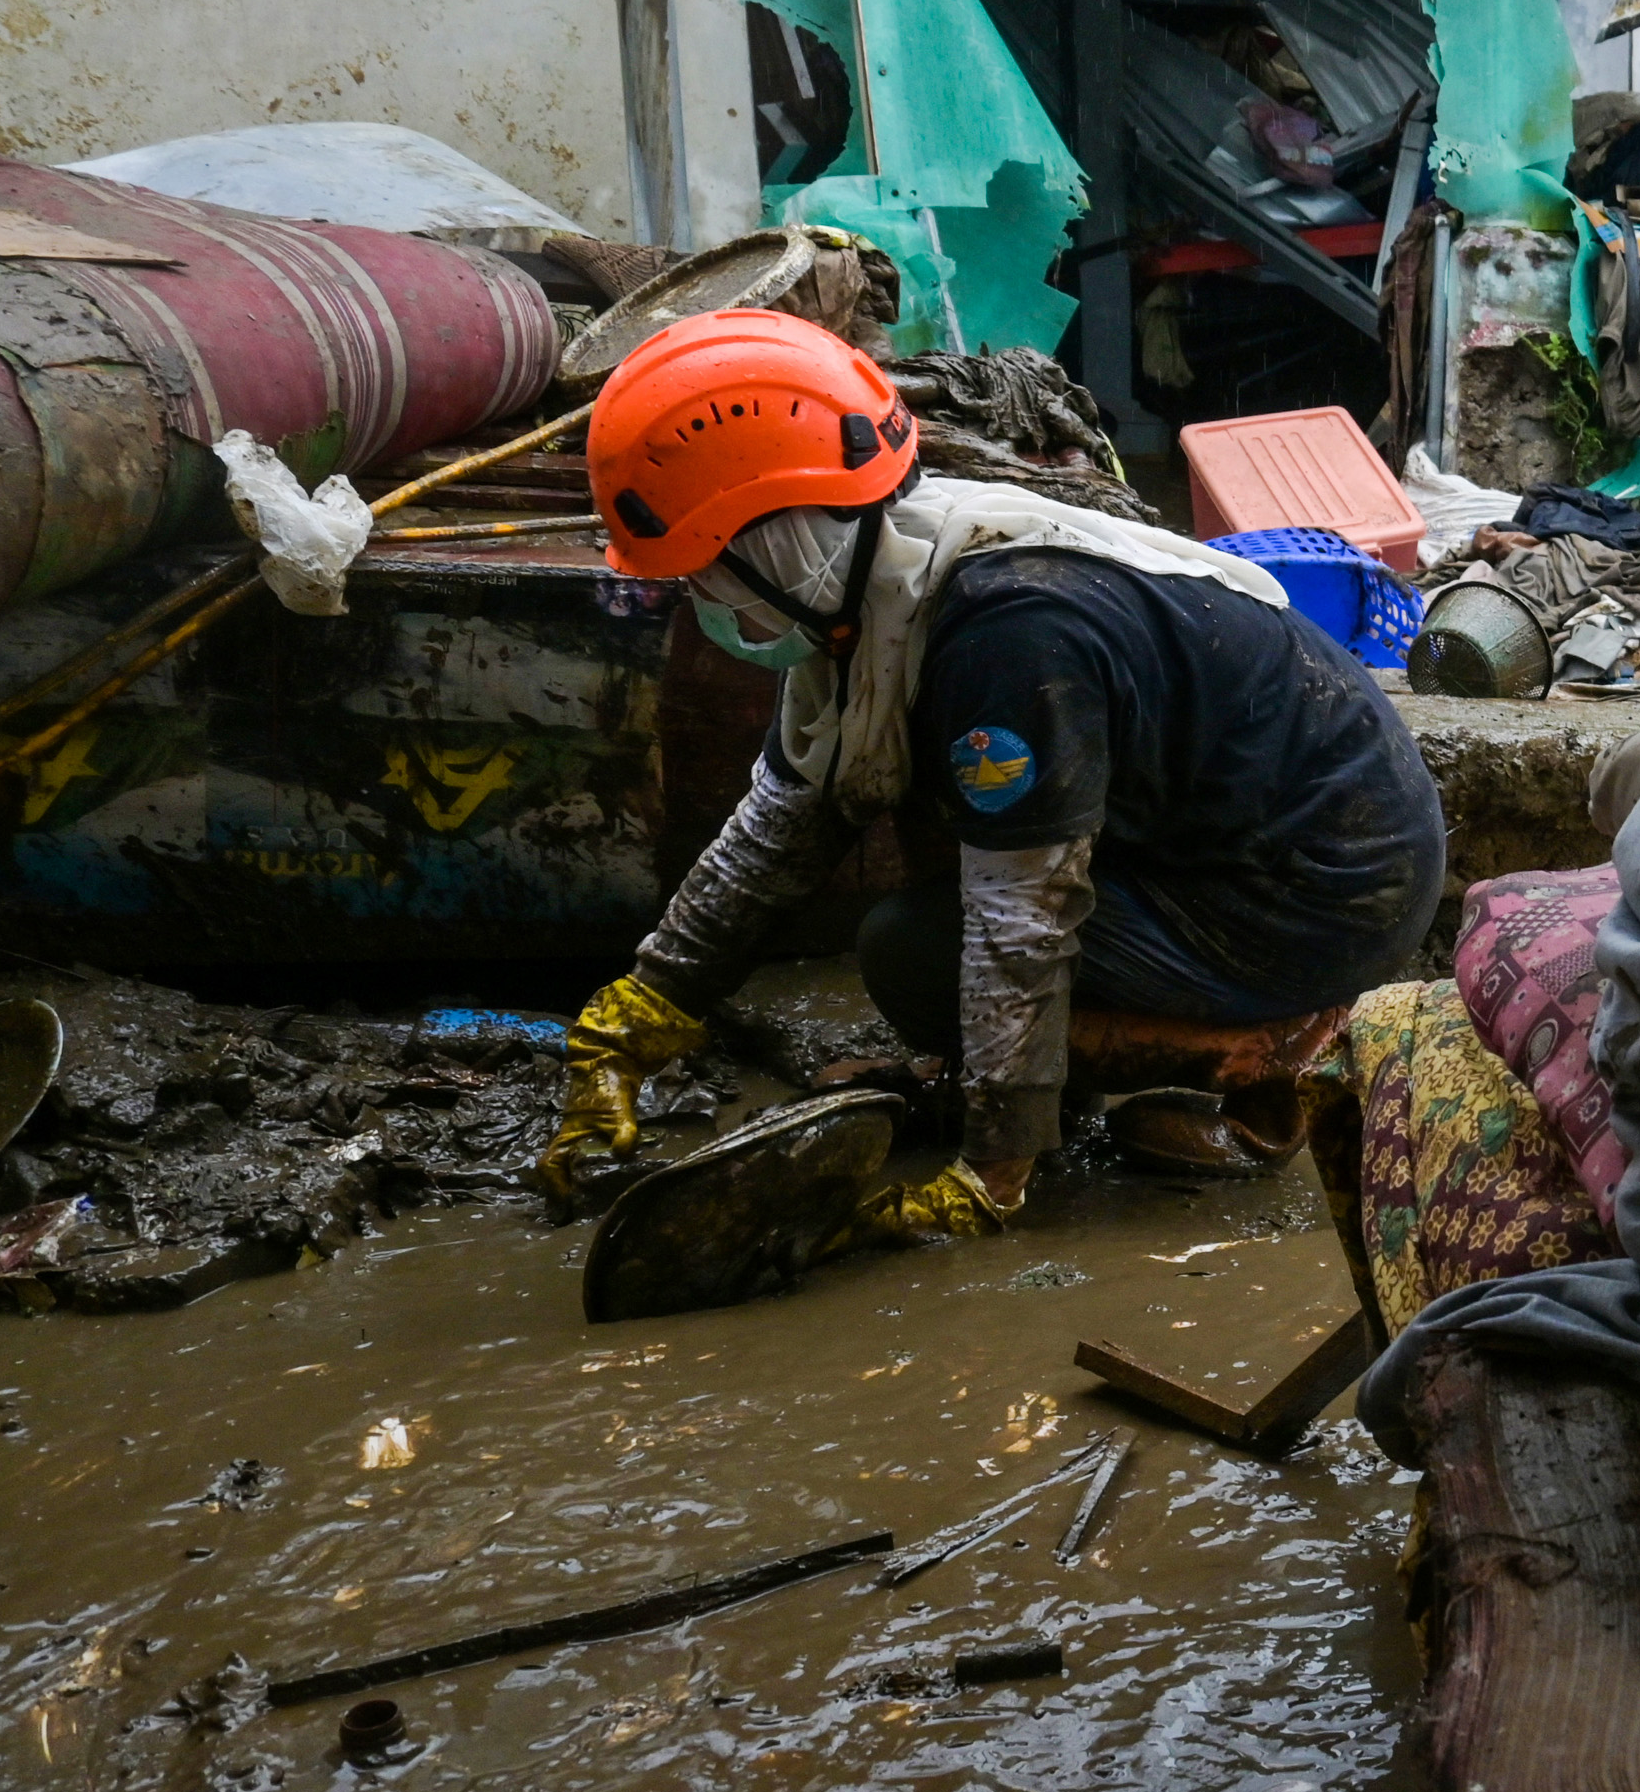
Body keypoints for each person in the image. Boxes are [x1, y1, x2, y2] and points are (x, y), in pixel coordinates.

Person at [539, 308, 1444, 1256]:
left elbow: (1023, 919)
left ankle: (1272, 1053)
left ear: (779, 539)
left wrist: (992, 1170)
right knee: (942, 865)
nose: (705, 601)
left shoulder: (1007, 636)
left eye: (708, 573)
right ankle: (1073, 1073)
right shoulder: (884, 586)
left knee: (917, 952)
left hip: (1322, 893)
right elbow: (783, 823)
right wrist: (629, 1021)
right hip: (1247, 839)